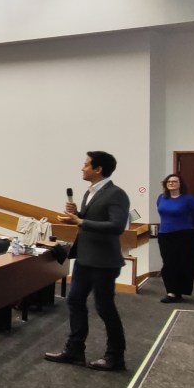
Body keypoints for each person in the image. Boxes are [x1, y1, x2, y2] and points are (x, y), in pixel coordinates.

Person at [45, 151, 129, 372]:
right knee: (75, 301)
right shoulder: (89, 192)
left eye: (86, 164)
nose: (82, 168)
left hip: (104, 261)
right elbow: (91, 220)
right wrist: (77, 215)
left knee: (105, 307)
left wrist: (80, 220)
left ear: (98, 169)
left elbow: (117, 226)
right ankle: (75, 350)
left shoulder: (116, 194)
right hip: (85, 257)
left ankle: (115, 356)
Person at [156, 173, 194, 304]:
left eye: (175, 181)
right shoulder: (161, 198)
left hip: (184, 235)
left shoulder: (188, 199)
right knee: (168, 264)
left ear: (180, 184)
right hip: (164, 234)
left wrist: (188, 226)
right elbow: (162, 213)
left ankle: (178, 292)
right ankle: (171, 291)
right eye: (169, 181)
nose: (171, 183)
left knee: (183, 263)